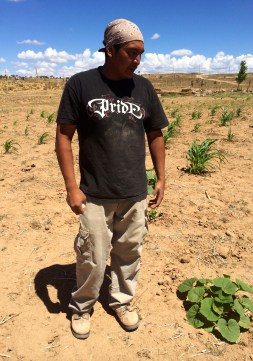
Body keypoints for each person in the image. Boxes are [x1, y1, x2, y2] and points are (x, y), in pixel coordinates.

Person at [55, 18, 169, 339]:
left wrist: (160, 177)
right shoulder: (81, 84)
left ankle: (121, 301)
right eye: (131, 52)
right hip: (93, 192)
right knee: (92, 253)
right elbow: (64, 137)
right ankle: (83, 306)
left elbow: (155, 134)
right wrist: (71, 187)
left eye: (141, 53)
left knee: (129, 251)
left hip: (134, 190)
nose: (138, 60)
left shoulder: (143, 88)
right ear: (109, 50)